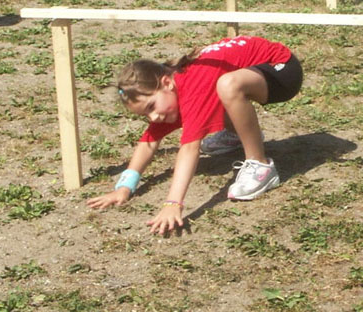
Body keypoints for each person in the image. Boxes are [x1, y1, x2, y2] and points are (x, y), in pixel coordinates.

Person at [86, 35, 303, 235]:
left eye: (152, 106)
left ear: (167, 83)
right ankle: (237, 133)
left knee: (228, 84)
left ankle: (260, 164)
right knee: (222, 85)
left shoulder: (192, 86)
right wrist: (124, 187)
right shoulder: (172, 94)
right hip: (253, 71)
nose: (153, 117)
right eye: (146, 114)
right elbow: (149, 142)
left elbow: (189, 148)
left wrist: (173, 204)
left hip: (283, 71)